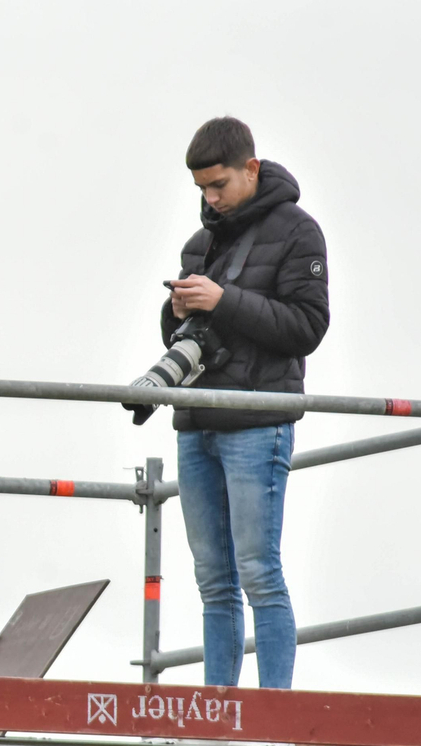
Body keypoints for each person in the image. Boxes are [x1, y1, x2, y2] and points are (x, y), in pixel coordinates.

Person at [161, 117, 330, 689]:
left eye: (219, 186)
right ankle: (218, 712)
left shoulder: (299, 232)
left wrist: (223, 299)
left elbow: (307, 328)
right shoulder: (200, 243)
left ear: (251, 169)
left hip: (258, 424)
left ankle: (274, 715)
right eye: (202, 190)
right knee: (213, 581)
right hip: (197, 424)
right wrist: (179, 312)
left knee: (260, 574)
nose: (210, 199)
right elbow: (181, 340)